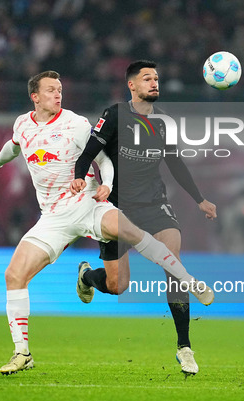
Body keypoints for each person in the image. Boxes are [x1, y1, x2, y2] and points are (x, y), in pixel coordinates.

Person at [0, 70, 213, 375]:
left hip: (88, 202)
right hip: (53, 217)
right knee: (14, 276)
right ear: (34, 96)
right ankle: (22, 353)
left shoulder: (75, 124)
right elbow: (14, 146)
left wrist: (106, 184)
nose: (57, 94)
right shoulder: (23, 124)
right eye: (50, 90)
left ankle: (187, 279)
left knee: (129, 230)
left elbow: (103, 159)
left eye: (60, 89)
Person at [70, 60, 217, 375]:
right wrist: (79, 177)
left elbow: (175, 163)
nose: (154, 82)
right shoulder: (114, 115)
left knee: (172, 262)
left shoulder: (164, 121)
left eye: (157, 78)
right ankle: (86, 277)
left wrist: (200, 199)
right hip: (116, 208)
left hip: (154, 205)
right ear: (132, 86)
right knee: (118, 284)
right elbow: (88, 152)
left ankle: (184, 347)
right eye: (147, 78)